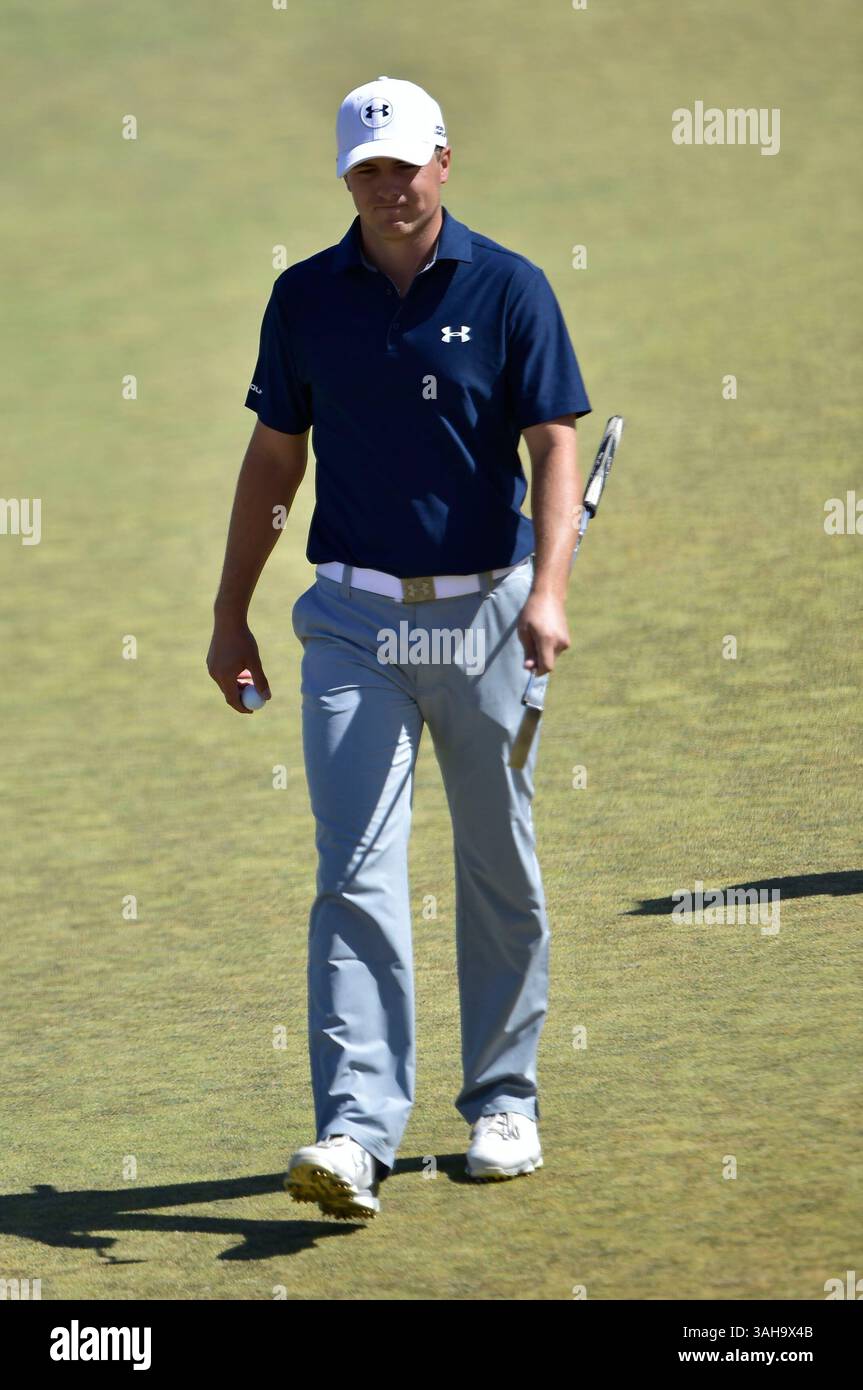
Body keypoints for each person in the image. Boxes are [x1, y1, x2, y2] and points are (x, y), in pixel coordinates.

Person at [206, 76, 592, 1221]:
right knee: (354, 869)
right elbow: (275, 462)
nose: (389, 187)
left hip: (487, 613)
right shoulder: (304, 297)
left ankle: (503, 1100)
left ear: (443, 162)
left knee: (495, 864)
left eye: (405, 166)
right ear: (346, 179)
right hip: (349, 625)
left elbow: (551, 444)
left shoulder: (511, 287)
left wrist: (549, 589)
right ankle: (355, 1130)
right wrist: (230, 611)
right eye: (366, 170)